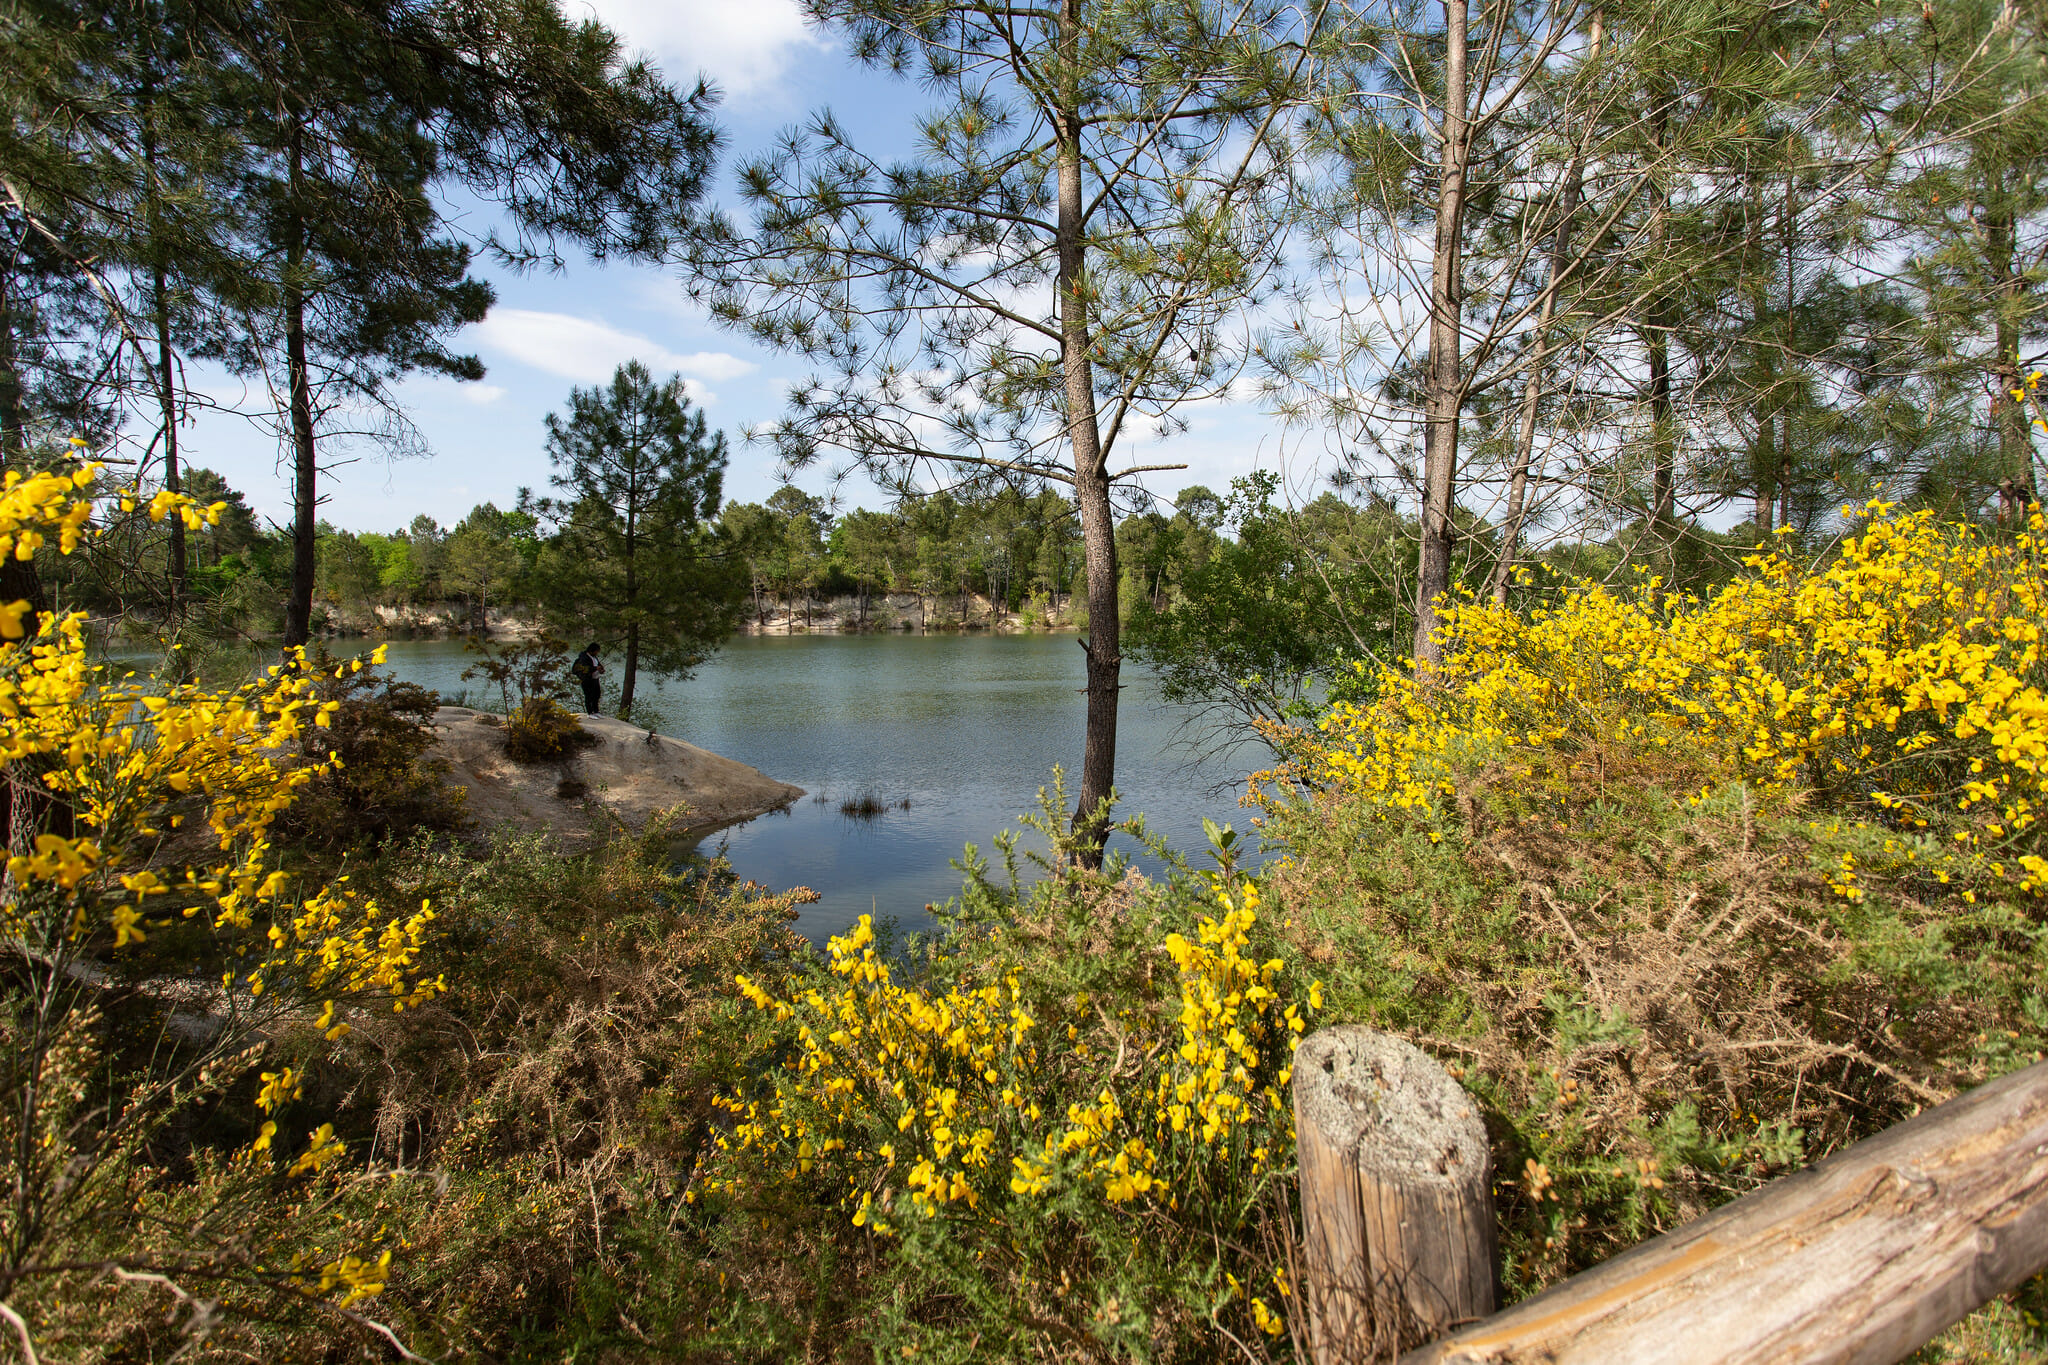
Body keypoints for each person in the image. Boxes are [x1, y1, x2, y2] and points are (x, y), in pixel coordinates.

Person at [571, 642, 603, 715]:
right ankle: (590, 713)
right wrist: (595, 668)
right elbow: (585, 669)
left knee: (596, 695)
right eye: (596, 651)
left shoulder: (594, 657)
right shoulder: (584, 658)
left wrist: (601, 669)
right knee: (589, 696)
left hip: (595, 679)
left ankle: (596, 711)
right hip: (587, 680)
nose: (597, 653)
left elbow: (598, 665)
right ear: (592, 650)